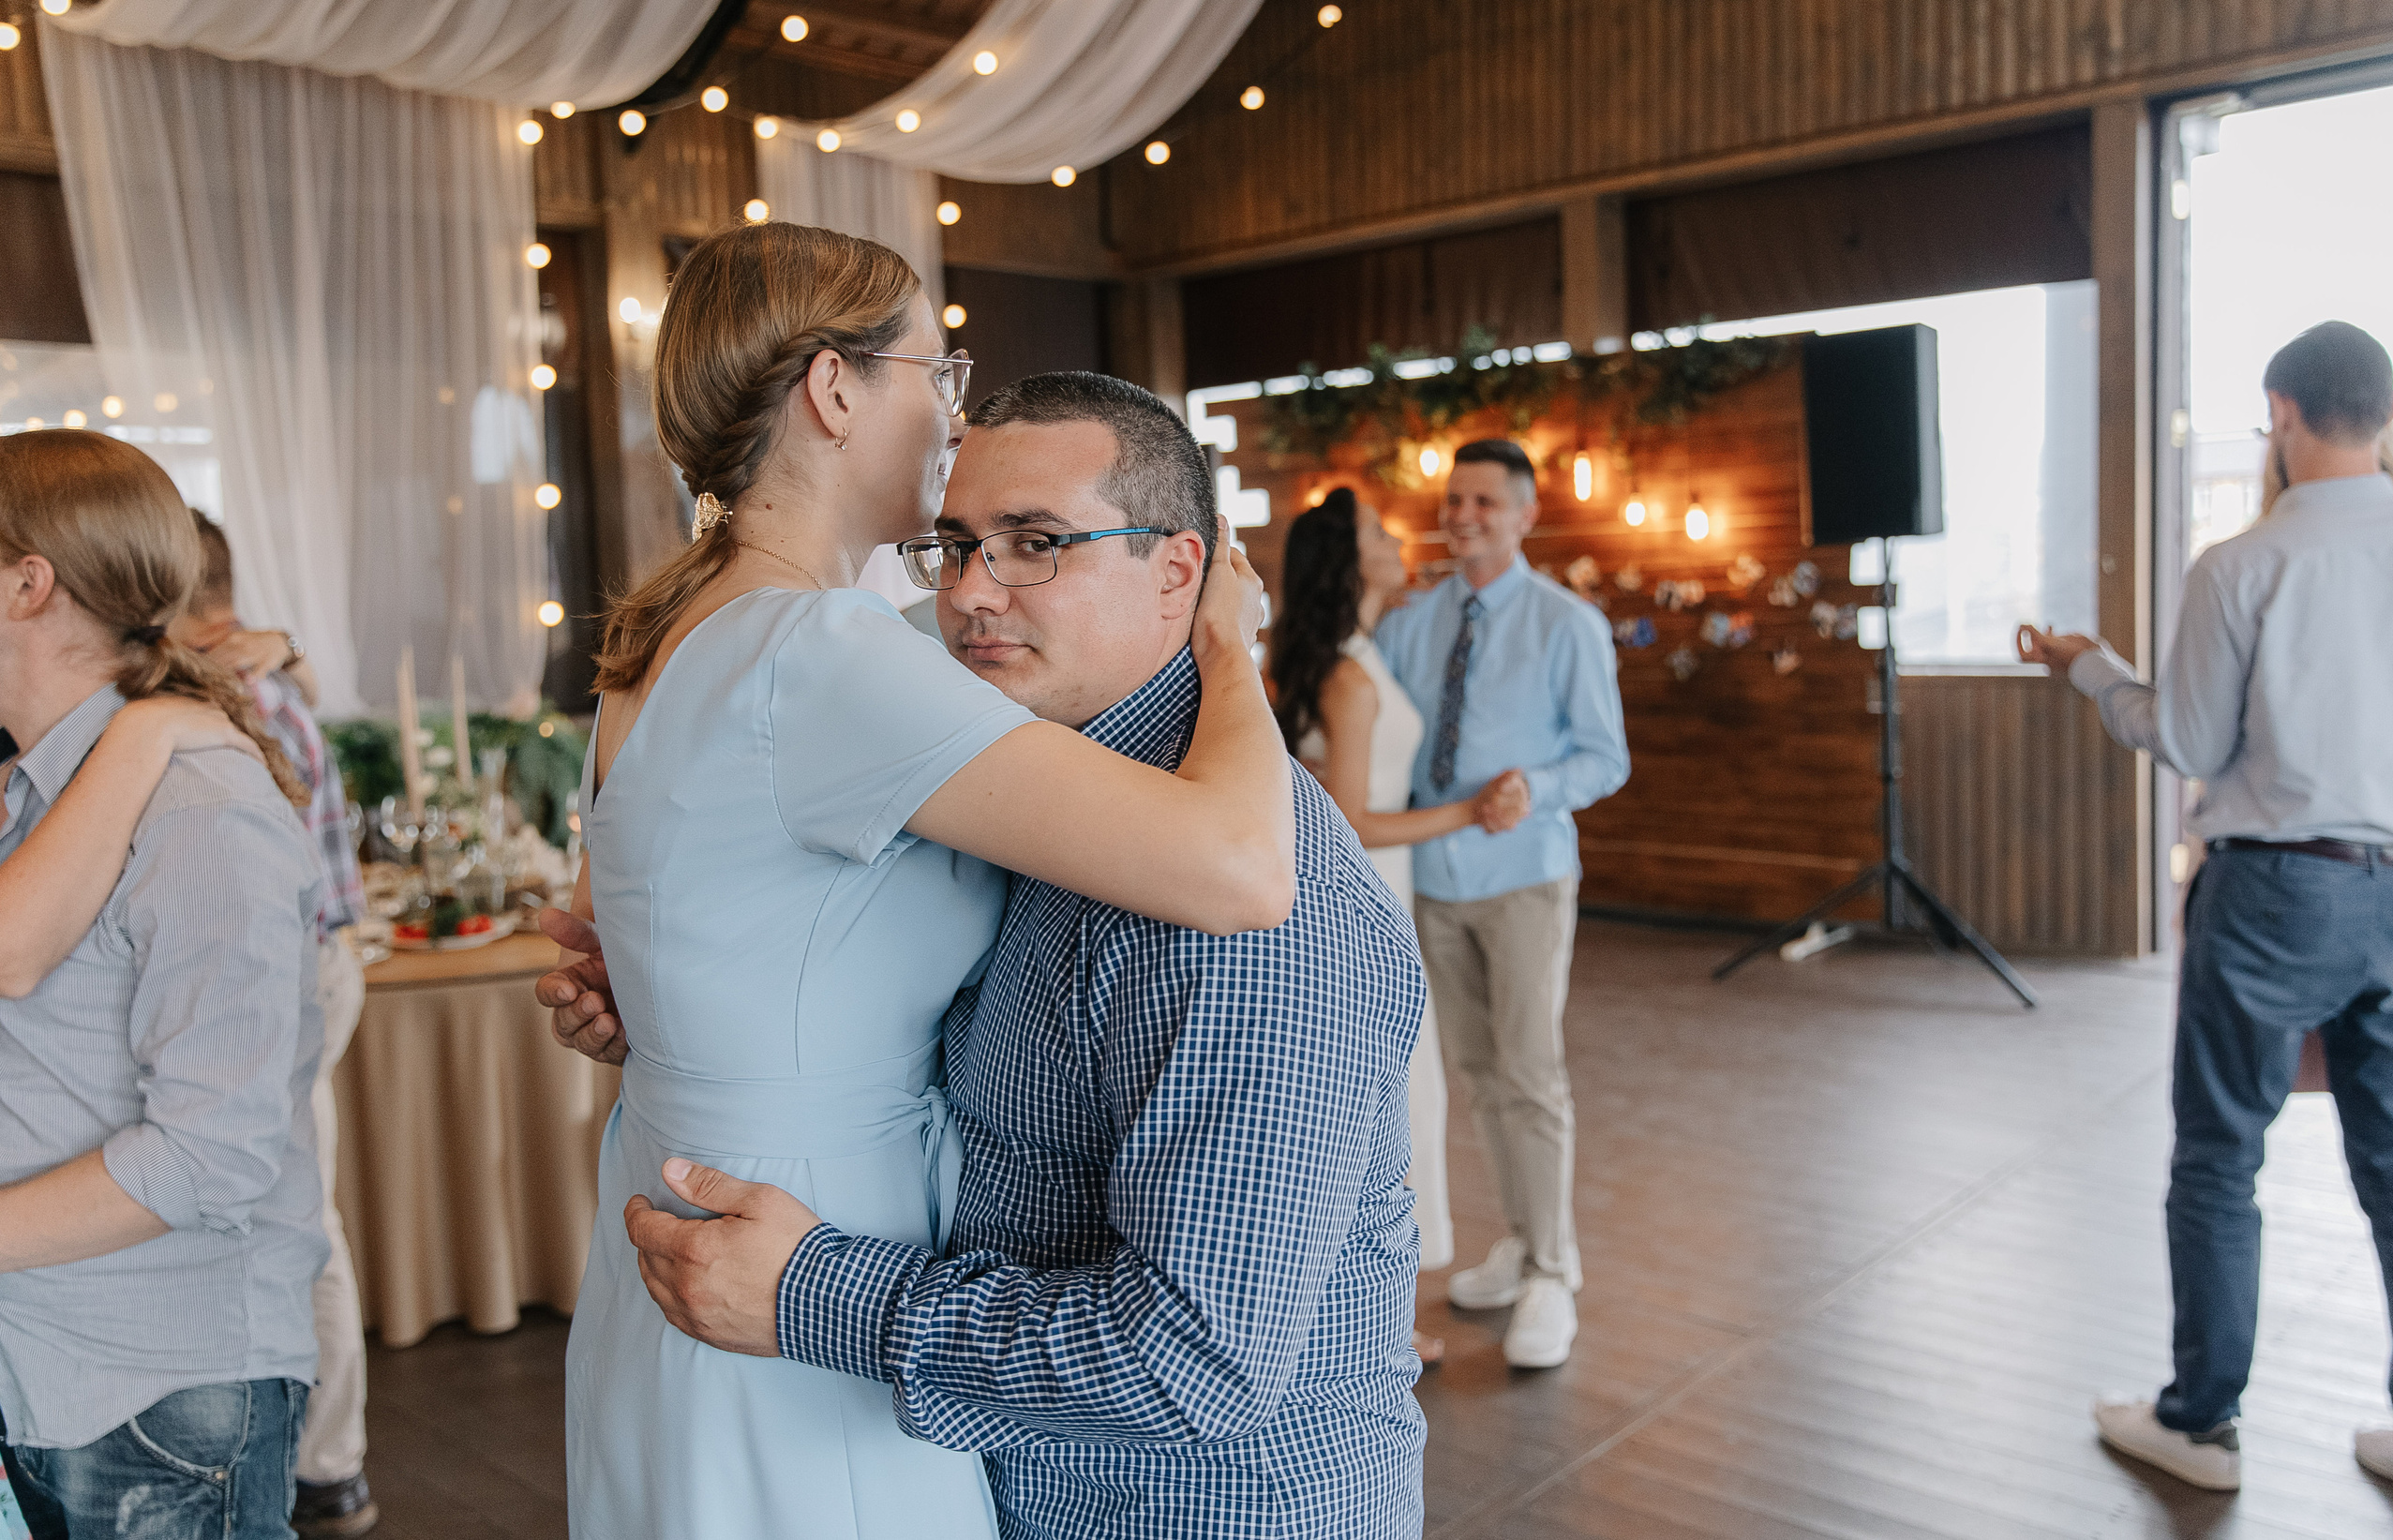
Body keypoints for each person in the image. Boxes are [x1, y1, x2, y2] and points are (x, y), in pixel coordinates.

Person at [542, 371, 1428, 1539]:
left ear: (1179, 571)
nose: (969, 594)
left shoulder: (1244, 924)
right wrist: (684, 996)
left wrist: (816, 1296)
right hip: (1019, 1480)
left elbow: (1195, 1360)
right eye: (954, 545)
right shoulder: (1034, 786)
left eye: (1036, 544)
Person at [2020, 319, 2393, 1492]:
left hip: (2277, 888)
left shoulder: (2241, 564)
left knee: (2220, 1155)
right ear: (2384, 415)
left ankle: (2198, 1424)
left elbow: (2181, 736)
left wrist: (2085, 665)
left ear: (2280, 413)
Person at [0, 428, 327, 1540]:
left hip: (158, 1391)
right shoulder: (32, 788)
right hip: (43, 1364)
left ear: (26, 581)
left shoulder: (201, 809)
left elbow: (207, 1153)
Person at [1372, 438, 1628, 1370]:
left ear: (1524, 515)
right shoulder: (1410, 621)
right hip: (1430, 886)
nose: (1463, 515)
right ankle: (1520, 1242)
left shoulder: (1567, 624)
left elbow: (1607, 759)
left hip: (1522, 877)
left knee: (1528, 1074)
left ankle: (1554, 1271)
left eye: (1484, 501)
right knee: (1478, 1075)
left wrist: (1543, 786)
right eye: (1454, 499)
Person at [1270, 483, 1533, 1363]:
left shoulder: (1356, 655)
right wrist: (1468, 813)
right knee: (1403, 1098)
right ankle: (1381, 1316)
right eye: (1379, 531)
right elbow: (1350, 816)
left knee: (1389, 1097)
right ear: (1352, 563)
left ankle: (1373, 1306)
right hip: (1367, 891)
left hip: (1376, 892)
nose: (1398, 537)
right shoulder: (1348, 673)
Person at [171, 513, 377, 1540]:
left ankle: (327, 1465)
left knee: (297, 1215)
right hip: (312, 966)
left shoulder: (228, 694)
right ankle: (322, 1461)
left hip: (292, 975)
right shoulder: (256, 677)